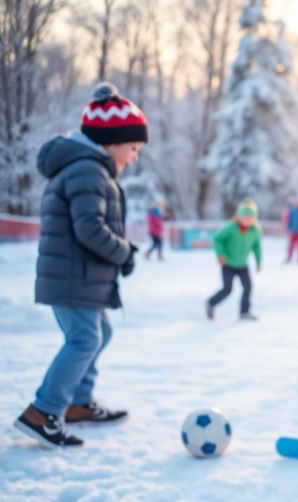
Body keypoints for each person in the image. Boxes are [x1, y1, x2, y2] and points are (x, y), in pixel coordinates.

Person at [14, 83, 147, 448]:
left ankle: (77, 403)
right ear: (111, 141)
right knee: (84, 338)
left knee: (98, 335)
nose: (134, 157)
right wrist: (125, 252)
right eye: (133, 148)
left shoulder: (90, 169)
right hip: (72, 278)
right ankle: (44, 411)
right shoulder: (87, 171)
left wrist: (121, 253)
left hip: (81, 278)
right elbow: (90, 229)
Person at [206, 199, 262, 321]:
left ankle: (245, 311)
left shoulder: (255, 230)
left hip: (242, 264)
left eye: (251, 217)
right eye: (246, 217)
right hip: (228, 264)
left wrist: (258, 261)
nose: (248, 220)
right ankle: (211, 303)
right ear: (239, 217)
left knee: (248, 286)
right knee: (227, 289)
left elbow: (257, 246)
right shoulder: (230, 227)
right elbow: (217, 239)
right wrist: (220, 255)